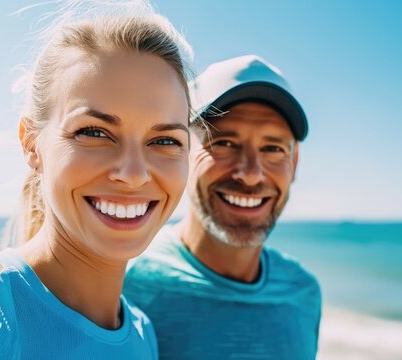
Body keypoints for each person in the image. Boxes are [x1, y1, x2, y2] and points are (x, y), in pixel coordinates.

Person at [0, 3, 193, 359]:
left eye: (164, 140)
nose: (133, 174)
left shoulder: (143, 337)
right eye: (94, 132)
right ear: (30, 142)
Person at [124, 55, 321, 359]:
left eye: (273, 149)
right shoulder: (127, 286)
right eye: (224, 143)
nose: (251, 173)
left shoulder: (304, 294)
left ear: (294, 164)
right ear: (182, 151)